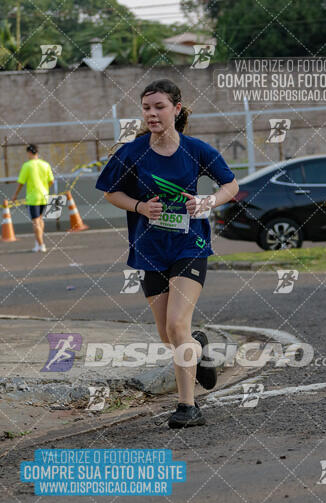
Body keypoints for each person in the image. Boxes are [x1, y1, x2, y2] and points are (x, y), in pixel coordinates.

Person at [96, 79, 239, 429]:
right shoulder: (132, 152)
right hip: (150, 250)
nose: (152, 114)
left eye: (159, 107)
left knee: (177, 324)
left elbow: (231, 186)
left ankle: (187, 407)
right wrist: (141, 206)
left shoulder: (196, 149)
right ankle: (199, 346)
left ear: (176, 108)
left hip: (190, 246)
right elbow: (111, 193)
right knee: (168, 334)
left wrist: (207, 201)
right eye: (146, 108)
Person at [12, 143, 54, 252]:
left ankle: (41, 244)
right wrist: (45, 188)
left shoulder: (27, 166)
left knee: (35, 221)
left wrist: (15, 195)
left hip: (33, 198)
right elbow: (51, 181)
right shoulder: (45, 165)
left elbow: (21, 182)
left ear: (29, 153)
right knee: (40, 220)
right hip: (44, 196)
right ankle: (38, 241)